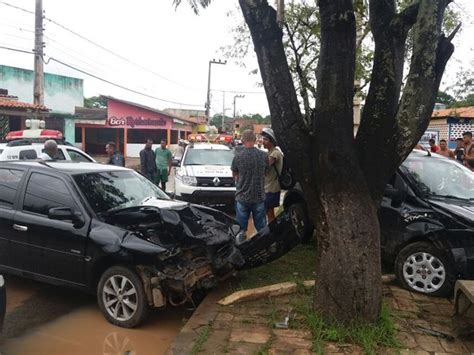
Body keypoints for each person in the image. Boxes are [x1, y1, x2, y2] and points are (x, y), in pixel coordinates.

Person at [231, 130, 268, 235]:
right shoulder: (263, 156)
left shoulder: (238, 156)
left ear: (242, 140)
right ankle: (265, 247)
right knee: (262, 228)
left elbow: (234, 174)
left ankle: (242, 249)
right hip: (259, 196)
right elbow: (266, 173)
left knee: (240, 230)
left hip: (242, 196)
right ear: (255, 140)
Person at [261, 128, 283, 223]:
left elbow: (265, 166)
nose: (263, 142)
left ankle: (273, 233)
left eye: (266, 140)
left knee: (270, 214)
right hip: (267, 187)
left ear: (272, 141)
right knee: (268, 212)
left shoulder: (275, 153)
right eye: (263, 139)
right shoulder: (269, 153)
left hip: (271, 188)